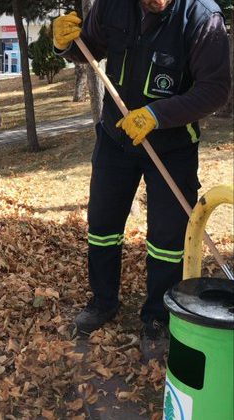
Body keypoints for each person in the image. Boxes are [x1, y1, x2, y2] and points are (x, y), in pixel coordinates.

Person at [53, 0, 230, 360]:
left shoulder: (201, 17)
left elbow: (215, 89)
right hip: (116, 137)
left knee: (167, 236)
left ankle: (157, 317)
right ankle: (103, 302)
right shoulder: (112, 6)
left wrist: (156, 114)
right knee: (102, 224)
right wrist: (65, 44)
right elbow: (88, 47)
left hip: (172, 144)